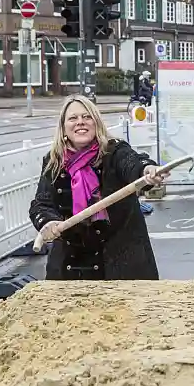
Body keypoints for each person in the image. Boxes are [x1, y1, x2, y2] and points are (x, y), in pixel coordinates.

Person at [29, 95, 166, 280]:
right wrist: (48, 221)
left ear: (97, 123)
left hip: (122, 265)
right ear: (63, 127)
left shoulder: (114, 152)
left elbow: (132, 163)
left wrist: (147, 170)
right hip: (72, 268)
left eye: (87, 117)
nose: (80, 123)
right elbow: (42, 204)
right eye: (73, 118)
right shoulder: (54, 162)